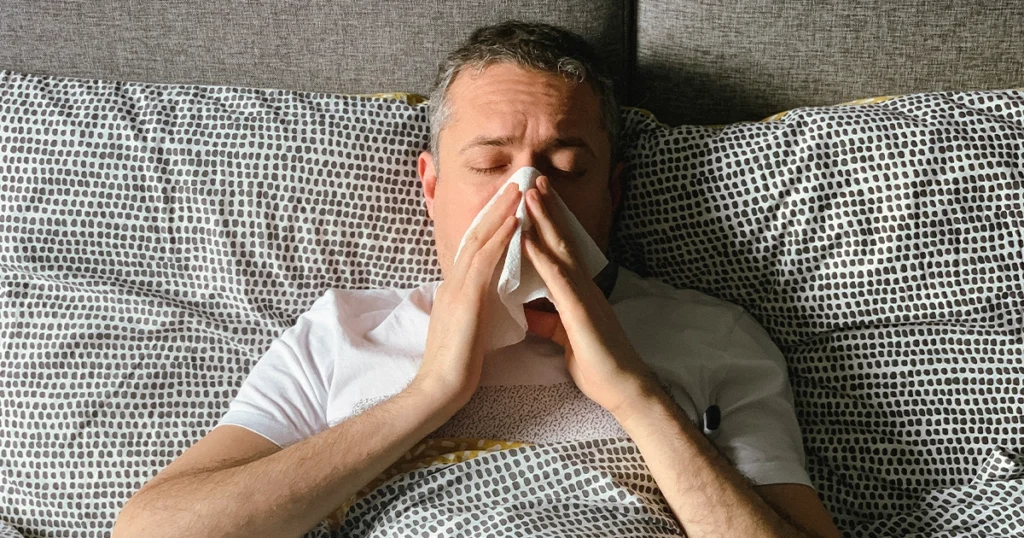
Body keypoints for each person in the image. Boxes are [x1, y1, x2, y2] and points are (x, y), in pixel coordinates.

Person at [113, 21, 842, 538]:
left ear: (612, 193)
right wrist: (432, 391)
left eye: (567, 169)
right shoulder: (342, 333)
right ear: (429, 186)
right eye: (491, 165)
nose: (529, 198)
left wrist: (635, 394)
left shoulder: (714, 336)